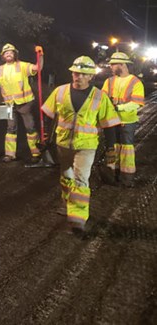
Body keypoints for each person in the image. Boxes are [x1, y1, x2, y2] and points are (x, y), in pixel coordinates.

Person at [41, 56, 121, 235]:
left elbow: (109, 125)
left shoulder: (100, 97)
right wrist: (45, 136)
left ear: (90, 76)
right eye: (76, 73)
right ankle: (66, 205)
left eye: (83, 74)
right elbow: (48, 115)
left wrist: (110, 149)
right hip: (63, 144)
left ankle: (77, 218)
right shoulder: (60, 92)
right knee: (66, 176)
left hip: (86, 146)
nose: (78, 77)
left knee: (80, 179)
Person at [0, 43, 44, 163]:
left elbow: (38, 68)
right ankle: (10, 155)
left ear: (15, 54)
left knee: (30, 128)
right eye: (6, 53)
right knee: (10, 129)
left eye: (11, 52)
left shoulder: (22, 66)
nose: (8, 54)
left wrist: (41, 55)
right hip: (9, 104)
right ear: (3, 56)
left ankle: (36, 153)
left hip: (25, 103)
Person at [100, 52, 144, 187]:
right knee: (112, 148)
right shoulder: (109, 81)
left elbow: (136, 103)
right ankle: (112, 175)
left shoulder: (135, 82)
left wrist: (118, 108)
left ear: (122, 65)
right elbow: (102, 99)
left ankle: (127, 178)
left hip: (127, 122)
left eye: (113, 64)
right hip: (111, 121)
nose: (111, 67)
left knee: (126, 149)